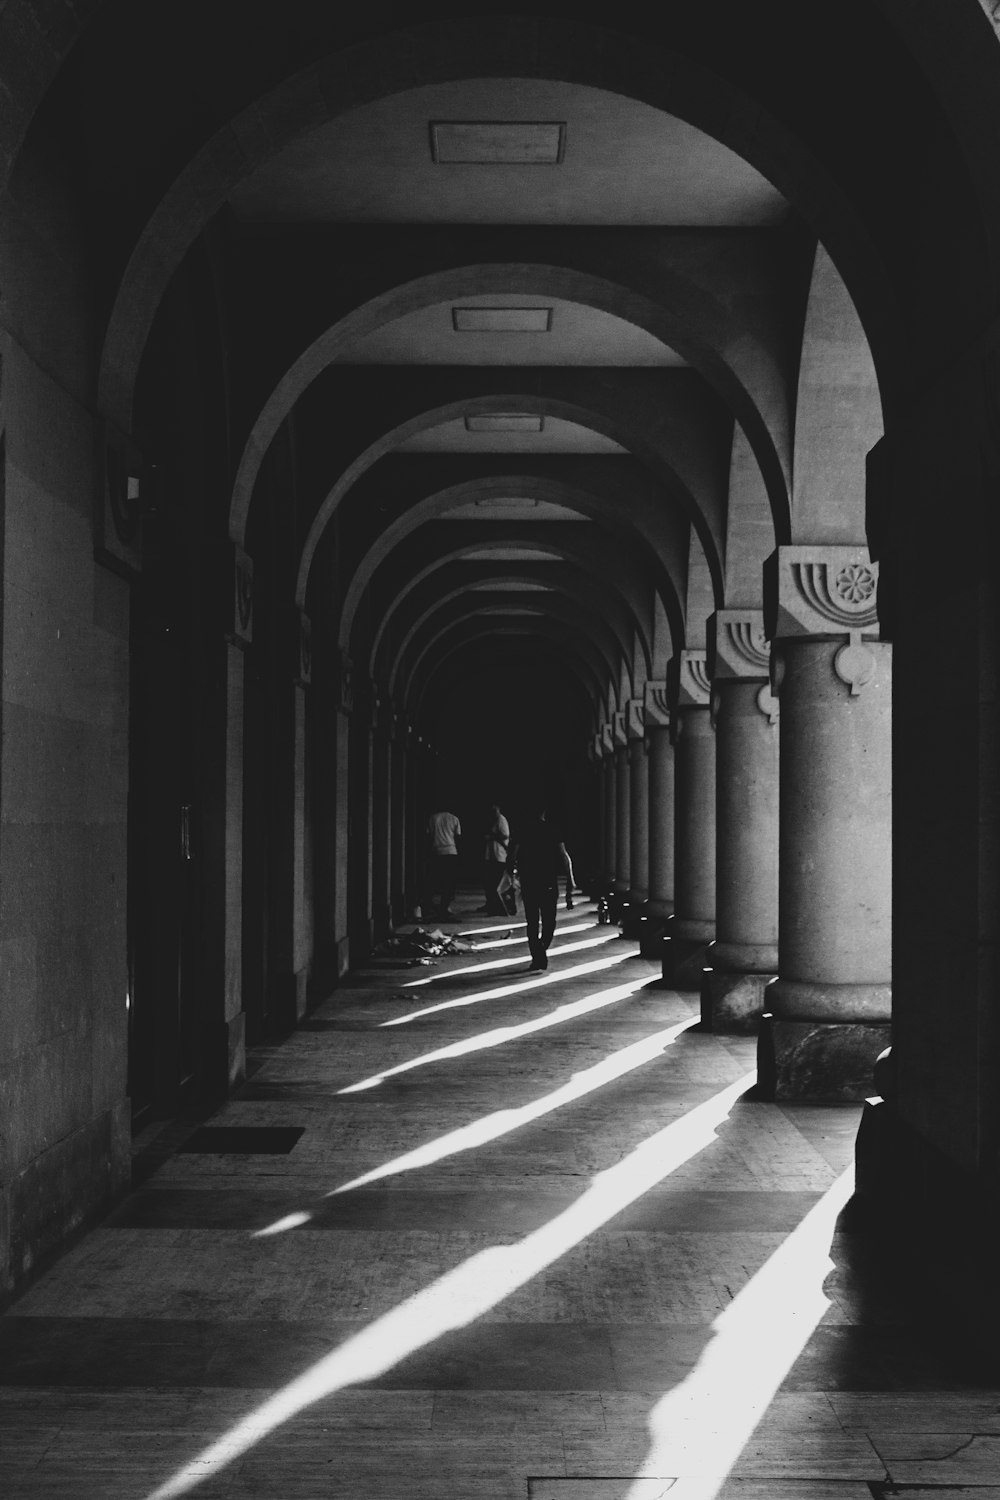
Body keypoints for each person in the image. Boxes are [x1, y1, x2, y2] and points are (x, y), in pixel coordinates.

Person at [509, 808, 571, 972]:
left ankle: (538, 954)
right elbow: (564, 856)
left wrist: (511, 876)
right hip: (548, 881)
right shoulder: (553, 830)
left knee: (532, 922)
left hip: (530, 881)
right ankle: (542, 948)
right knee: (549, 921)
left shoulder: (523, 830)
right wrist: (571, 879)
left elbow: (512, 856)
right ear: (544, 812)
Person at [425, 806, 461, 919]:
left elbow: (428, 835)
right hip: (451, 851)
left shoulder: (433, 818)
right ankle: (444, 908)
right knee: (448, 882)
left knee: (433, 880)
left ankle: (427, 906)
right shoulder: (454, 818)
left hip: (436, 851)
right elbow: (458, 836)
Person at [479, 802, 510, 915]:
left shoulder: (501, 820)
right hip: (492, 855)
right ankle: (491, 904)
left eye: (494, 810)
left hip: (499, 856)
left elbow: (505, 835)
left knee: (495, 883)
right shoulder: (494, 820)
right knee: (489, 882)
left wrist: (492, 836)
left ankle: (496, 907)